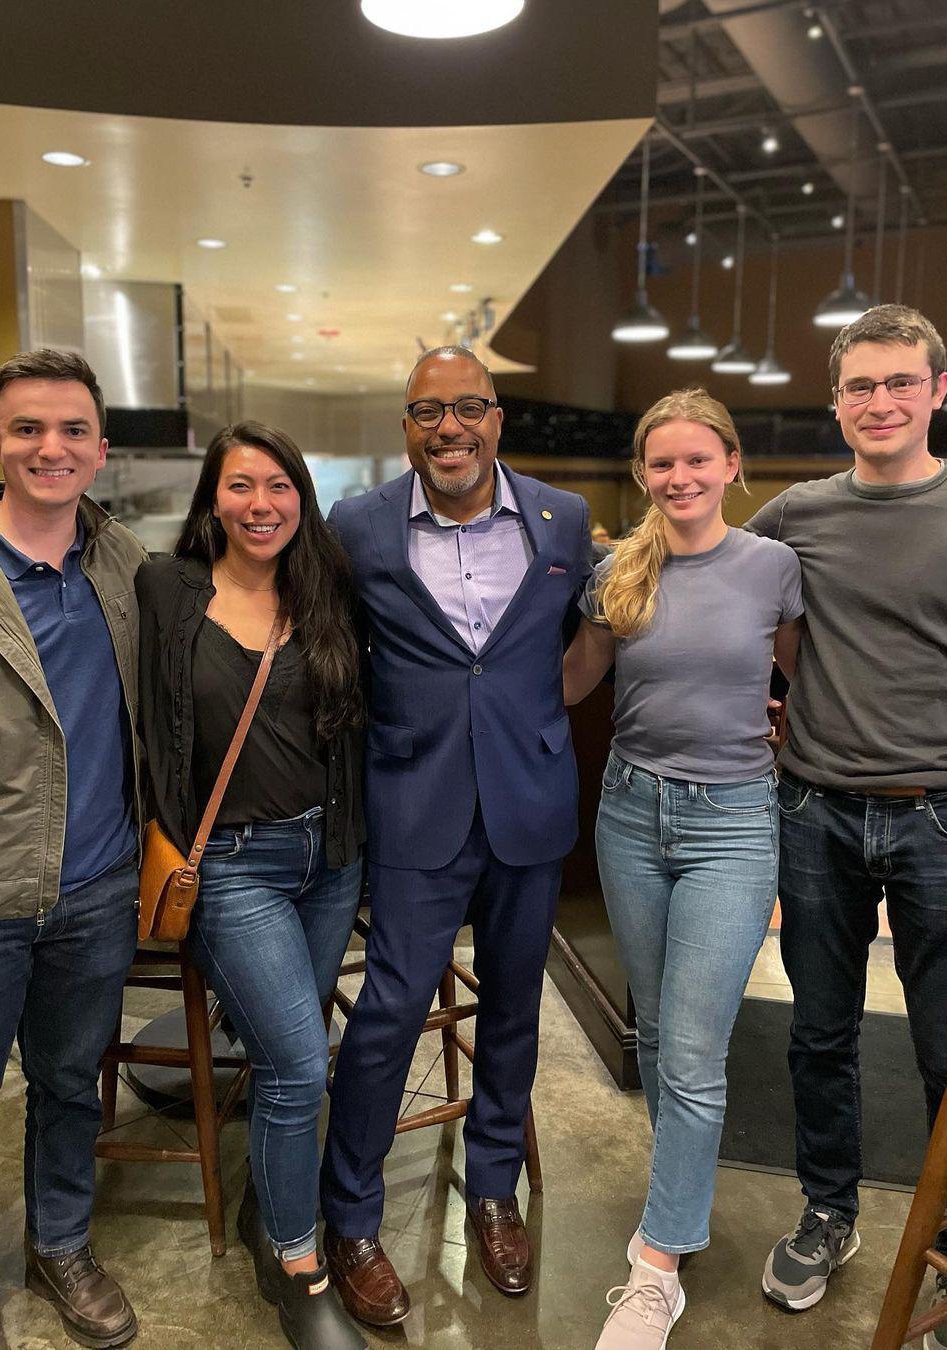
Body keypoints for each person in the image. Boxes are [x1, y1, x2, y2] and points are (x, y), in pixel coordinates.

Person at [318, 346, 590, 1326]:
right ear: (406, 427)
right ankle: (350, 1217)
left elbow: (578, 641)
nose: (450, 428)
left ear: (499, 417)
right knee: (386, 1015)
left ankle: (493, 1194)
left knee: (515, 1009)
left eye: (468, 406)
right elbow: (332, 653)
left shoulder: (563, 520)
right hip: (413, 807)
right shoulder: (357, 527)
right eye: (428, 411)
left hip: (529, 808)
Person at [749, 305, 947, 1349]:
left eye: (900, 383)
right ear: (835, 399)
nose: (879, 403)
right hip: (816, 812)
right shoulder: (797, 514)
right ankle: (829, 1211)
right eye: (859, 386)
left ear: (938, 390)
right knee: (819, 1034)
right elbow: (733, 597)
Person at [0, 349, 146, 1350]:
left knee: (68, 1085)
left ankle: (61, 1243)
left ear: (100, 449)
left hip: (93, 891)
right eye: (28, 429)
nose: (52, 448)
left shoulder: (127, 566)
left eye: (73, 430)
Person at [563, 388, 802, 1348]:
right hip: (628, 813)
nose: (681, 478)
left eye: (699, 460)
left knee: (696, 1050)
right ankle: (684, 1198)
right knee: (658, 1034)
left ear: (731, 466)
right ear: (642, 475)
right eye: (662, 464)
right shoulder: (618, 570)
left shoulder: (772, 568)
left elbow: (802, 680)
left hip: (735, 825)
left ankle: (656, 1267)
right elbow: (575, 679)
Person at [135, 422, 367, 1350]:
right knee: (302, 1066)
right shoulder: (168, 588)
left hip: (330, 859)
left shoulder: (328, 592)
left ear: (301, 497)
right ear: (213, 497)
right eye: (241, 486)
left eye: (279, 486)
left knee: (285, 1059)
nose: (261, 504)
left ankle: (270, 1211)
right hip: (230, 866)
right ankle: (298, 1266)